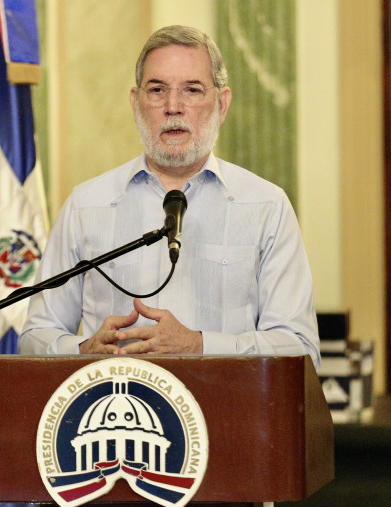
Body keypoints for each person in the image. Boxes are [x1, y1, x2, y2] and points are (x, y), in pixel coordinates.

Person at [18, 25, 320, 369]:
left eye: (192, 90)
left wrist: (200, 346)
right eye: (157, 90)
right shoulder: (86, 206)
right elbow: (35, 335)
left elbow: (300, 348)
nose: (173, 106)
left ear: (221, 104)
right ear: (136, 103)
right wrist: (83, 350)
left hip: (225, 402)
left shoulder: (267, 207)